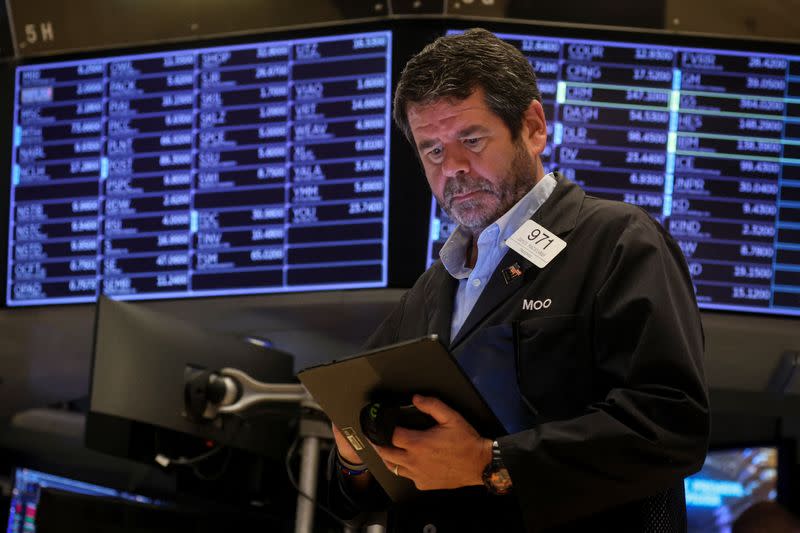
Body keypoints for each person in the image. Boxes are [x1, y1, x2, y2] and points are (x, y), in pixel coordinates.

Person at [327, 28, 710, 532]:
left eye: (471, 139)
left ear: (532, 127)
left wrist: (492, 460)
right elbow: (354, 495)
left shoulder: (616, 240)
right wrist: (355, 452)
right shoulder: (430, 290)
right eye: (433, 151)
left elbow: (671, 425)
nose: (455, 169)